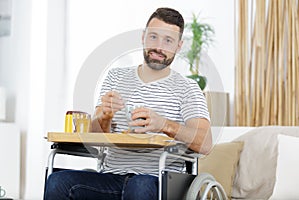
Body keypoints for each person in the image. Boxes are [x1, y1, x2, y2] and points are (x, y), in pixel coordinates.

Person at [44, 7, 212, 200]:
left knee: (139, 185)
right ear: (143, 37)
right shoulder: (115, 77)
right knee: (58, 182)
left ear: (179, 46)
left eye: (168, 41)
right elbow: (94, 137)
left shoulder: (188, 88)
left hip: (157, 182)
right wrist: (104, 116)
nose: (159, 47)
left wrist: (164, 125)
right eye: (154, 37)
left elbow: (205, 143)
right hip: (111, 178)